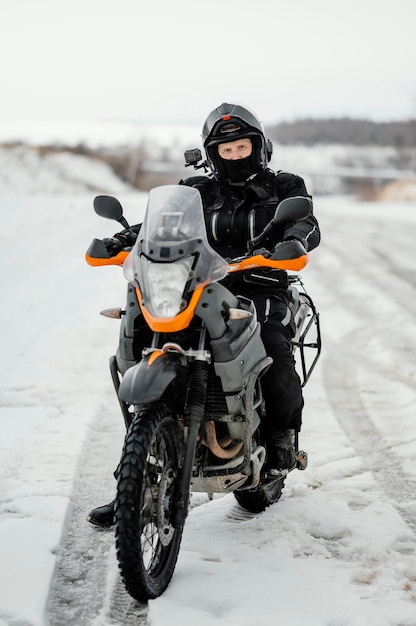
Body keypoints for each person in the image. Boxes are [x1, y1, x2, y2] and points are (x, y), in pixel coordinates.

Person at [87, 102, 320, 528]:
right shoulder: (196, 188)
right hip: (195, 286)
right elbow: (159, 226)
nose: (235, 156)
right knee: (148, 344)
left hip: (259, 286)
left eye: (242, 146)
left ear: (259, 146)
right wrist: (121, 238)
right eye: (226, 150)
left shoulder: (284, 185)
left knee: (272, 349)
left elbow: (305, 224)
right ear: (212, 153)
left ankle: (280, 443)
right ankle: (133, 479)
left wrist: (292, 244)